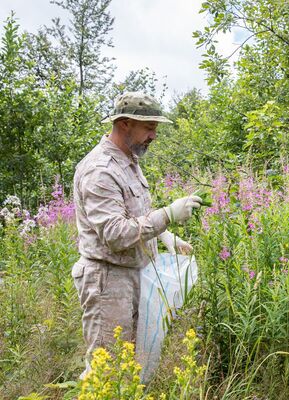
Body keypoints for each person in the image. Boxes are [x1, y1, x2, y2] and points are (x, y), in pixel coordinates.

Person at [72, 92, 203, 378]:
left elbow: (134, 213)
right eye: (149, 127)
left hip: (131, 274)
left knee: (129, 367)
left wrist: (165, 237)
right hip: (108, 280)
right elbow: (114, 233)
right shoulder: (100, 170)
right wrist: (167, 215)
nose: (154, 135)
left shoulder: (128, 161)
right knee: (107, 369)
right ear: (124, 124)